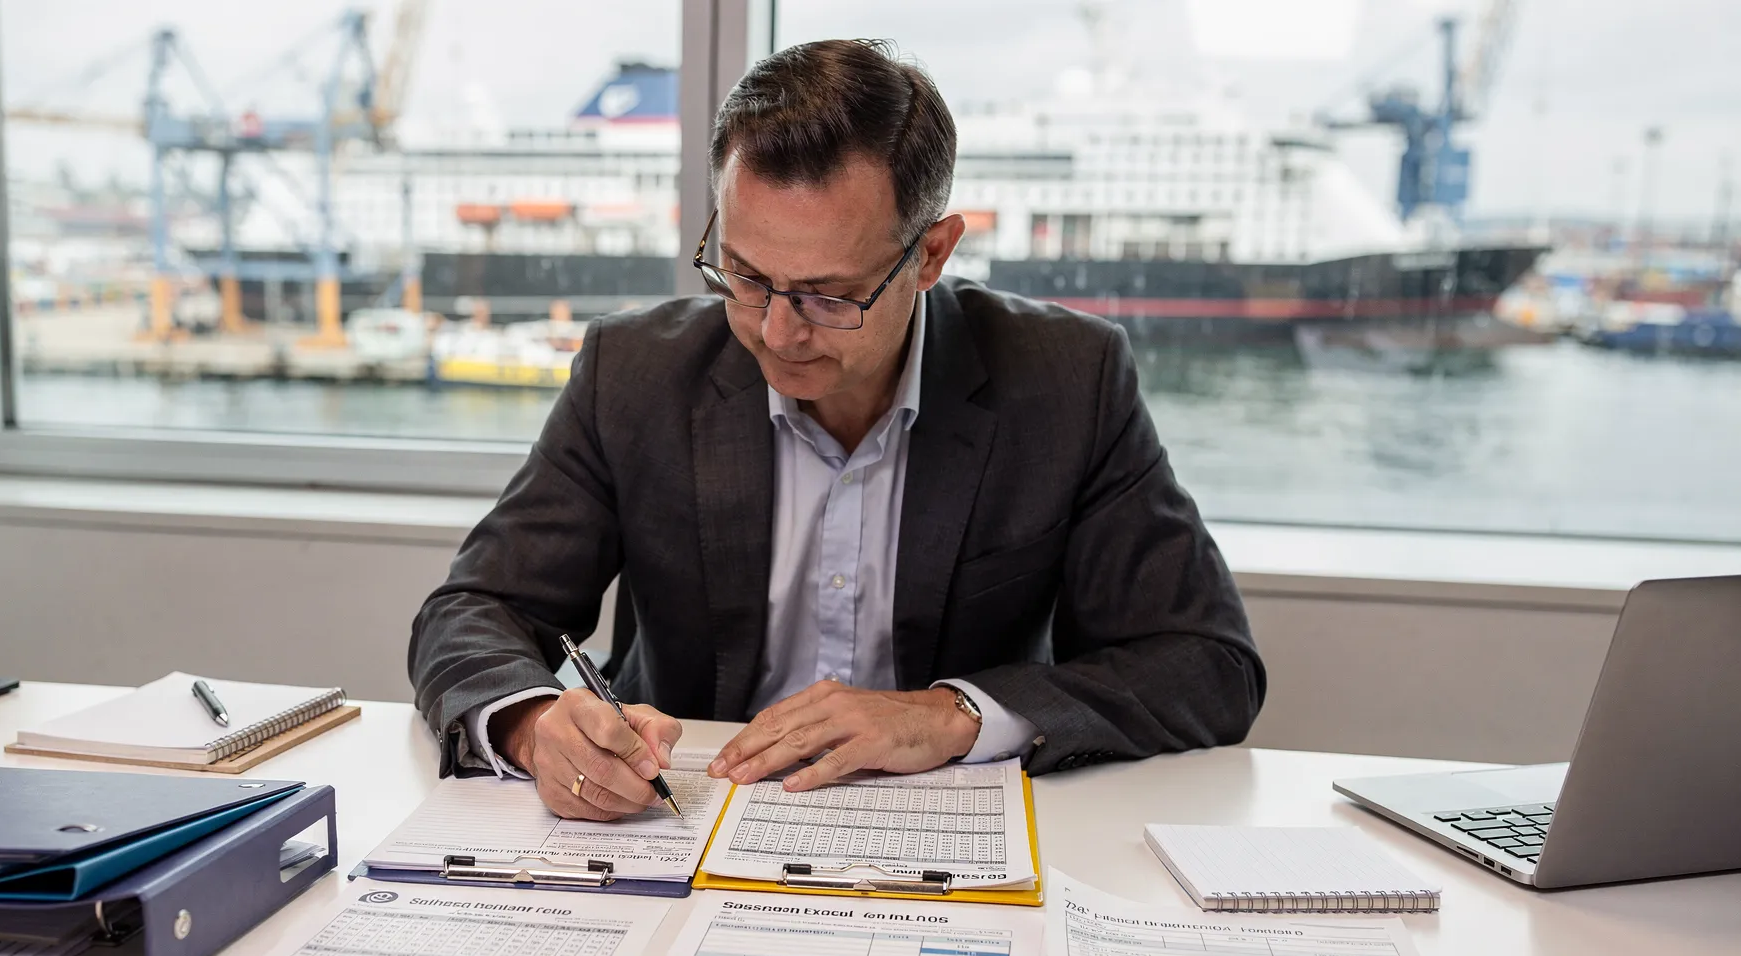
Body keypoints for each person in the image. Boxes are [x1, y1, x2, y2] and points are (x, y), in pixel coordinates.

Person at [409, 39, 1264, 820]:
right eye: (743, 275)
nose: (777, 334)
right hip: (681, 819)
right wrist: (530, 724)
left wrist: (952, 713)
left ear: (931, 256)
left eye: (828, 295)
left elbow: (1206, 663)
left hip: (952, 837)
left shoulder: (1066, 379)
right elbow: (474, 609)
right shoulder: (636, 372)